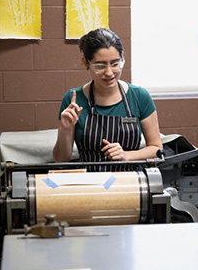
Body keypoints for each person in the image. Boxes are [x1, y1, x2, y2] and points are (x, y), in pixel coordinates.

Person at [53, 28, 162, 171]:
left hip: (131, 183)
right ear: (86, 63)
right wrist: (65, 130)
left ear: (123, 59)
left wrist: (126, 156)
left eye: (115, 64)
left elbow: (156, 150)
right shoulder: (73, 99)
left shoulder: (139, 96)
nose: (109, 73)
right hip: (90, 184)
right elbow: (61, 161)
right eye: (100, 66)